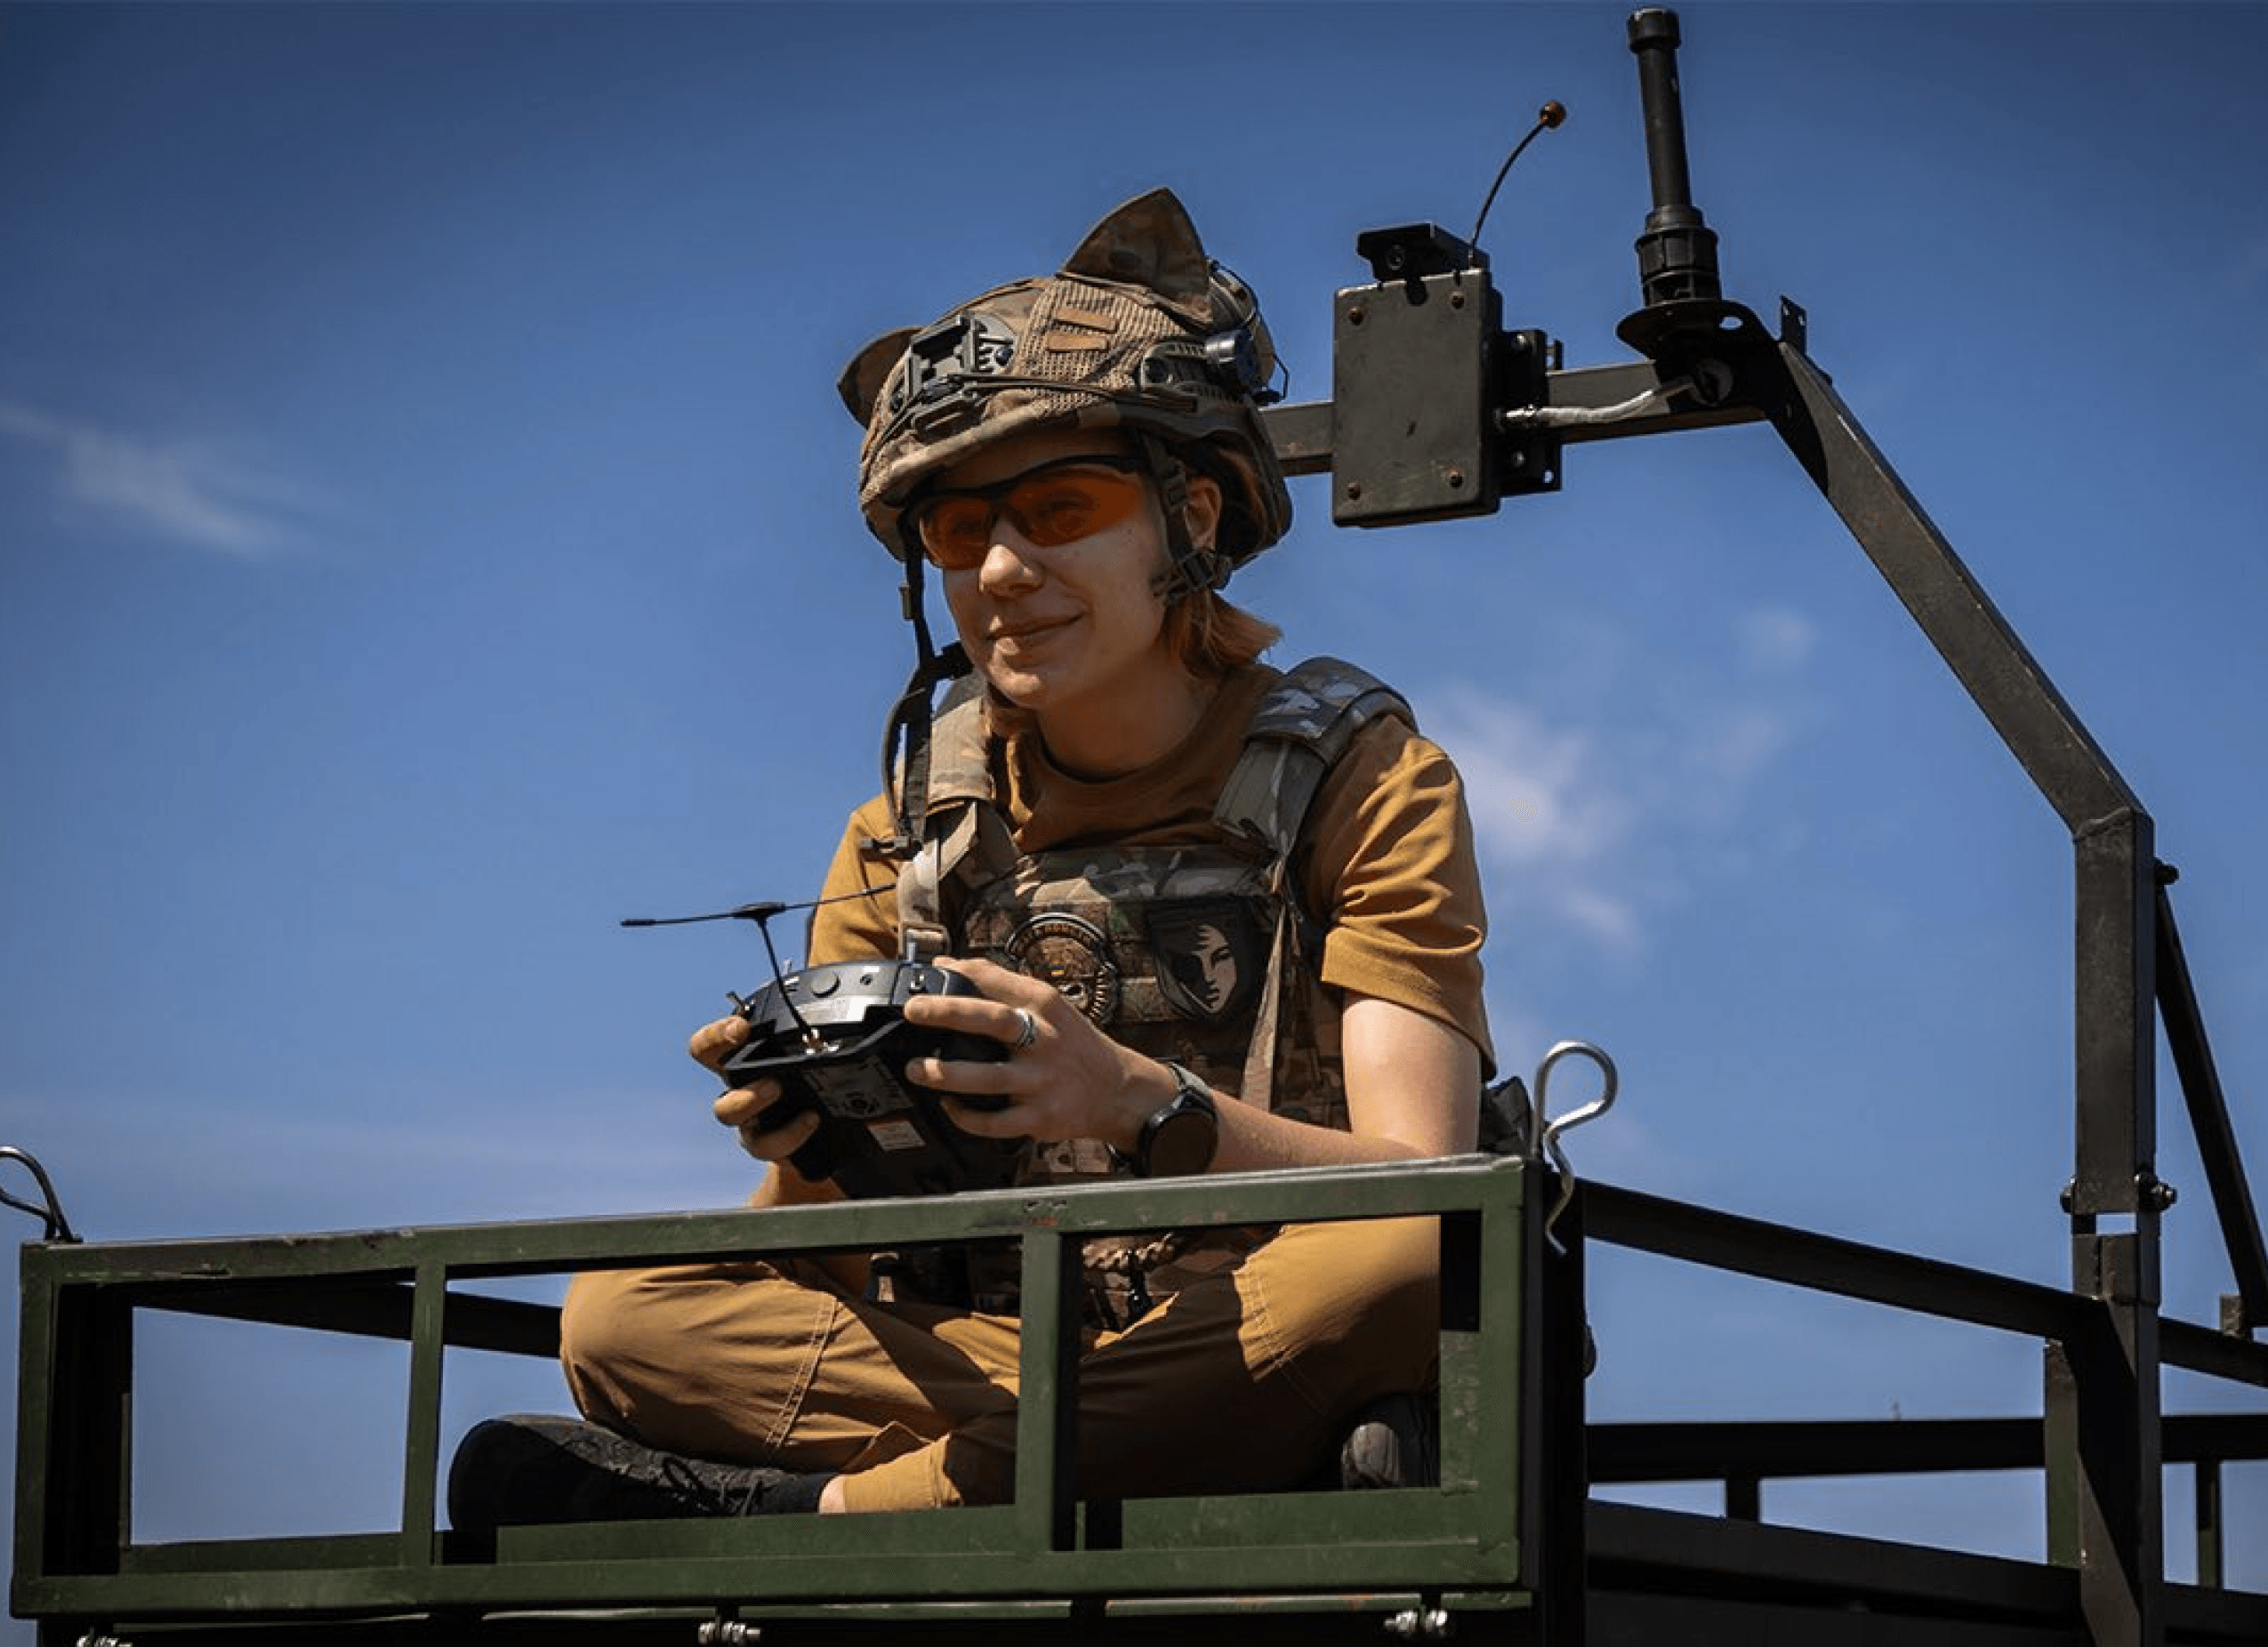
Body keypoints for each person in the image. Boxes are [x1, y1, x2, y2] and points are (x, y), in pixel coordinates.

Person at [450, 189, 1492, 1524]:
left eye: (1062, 508)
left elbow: (1428, 1182)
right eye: (958, 532)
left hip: (1259, 1312)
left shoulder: (1362, 776)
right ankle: (1136, 1454)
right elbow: (807, 1253)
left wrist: (1137, 1103)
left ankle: (837, 1523)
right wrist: (814, 1132)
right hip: (1037, 1354)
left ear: (1200, 518)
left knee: (1413, 1261)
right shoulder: (908, 826)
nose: (1001, 569)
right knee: (624, 1314)